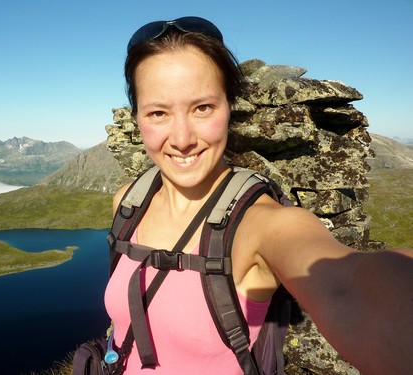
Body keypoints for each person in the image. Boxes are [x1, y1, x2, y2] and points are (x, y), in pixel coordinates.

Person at [104, 16, 413, 374]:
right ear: (138, 117)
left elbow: (346, 286)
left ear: (229, 106)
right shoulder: (128, 202)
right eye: (158, 112)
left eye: (203, 107)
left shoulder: (262, 224)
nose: (182, 137)